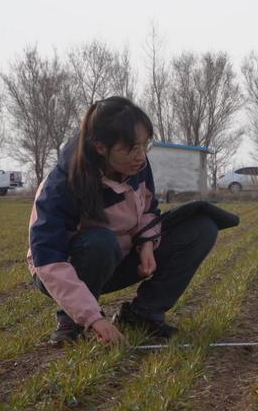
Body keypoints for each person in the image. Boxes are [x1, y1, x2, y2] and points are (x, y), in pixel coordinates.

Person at [27, 97, 219, 346]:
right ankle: (71, 321)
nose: (141, 156)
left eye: (144, 145)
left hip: (121, 255)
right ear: (100, 147)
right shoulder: (62, 186)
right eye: (130, 147)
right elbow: (48, 260)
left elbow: (148, 207)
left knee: (202, 226)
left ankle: (142, 315)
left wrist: (147, 243)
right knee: (100, 242)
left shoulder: (136, 164)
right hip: (73, 265)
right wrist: (94, 318)